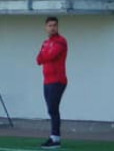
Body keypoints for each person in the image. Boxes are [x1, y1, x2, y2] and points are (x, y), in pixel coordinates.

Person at [37, 17, 69, 149]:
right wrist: (45, 54)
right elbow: (39, 59)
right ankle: (53, 137)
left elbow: (50, 56)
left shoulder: (61, 41)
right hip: (47, 80)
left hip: (58, 80)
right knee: (51, 110)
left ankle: (56, 139)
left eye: (55, 25)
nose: (52, 28)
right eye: (50, 25)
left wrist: (45, 55)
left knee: (53, 109)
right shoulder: (46, 43)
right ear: (46, 27)